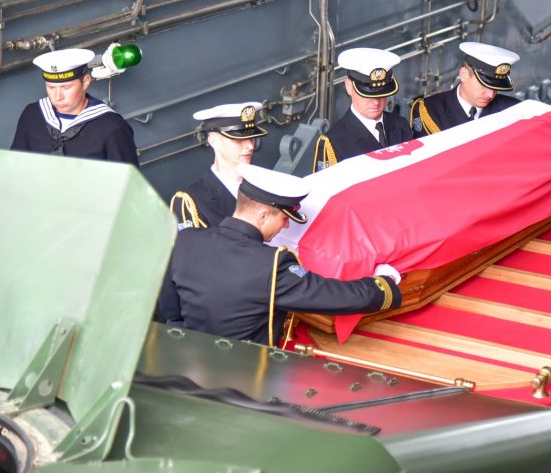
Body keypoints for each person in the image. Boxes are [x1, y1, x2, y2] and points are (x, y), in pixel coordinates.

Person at [155, 164, 402, 347]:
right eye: (284, 218)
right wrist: (384, 284)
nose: (285, 227)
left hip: (188, 366)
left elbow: (170, 313)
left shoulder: (185, 241)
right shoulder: (270, 265)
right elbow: (338, 296)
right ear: (262, 215)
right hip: (247, 382)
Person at [11, 48, 139, 165]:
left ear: (85, 82)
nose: (58, 96)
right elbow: (16, 166)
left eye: (66, 87)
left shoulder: (111, 127)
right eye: (51, 87)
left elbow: (127, 183)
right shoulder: (33, 115)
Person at [170, 102, 267, 229]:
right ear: (214, 141)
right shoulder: (192, 202)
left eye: (252, 138)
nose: (250, 146)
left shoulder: (265, 186)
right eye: (239, 139)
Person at [313, 47, 412, 171]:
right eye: (367, 95)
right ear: (349, 86)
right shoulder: (334, 143)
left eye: (381, 94)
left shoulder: (401, 125)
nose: (376, 102)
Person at [410, 41, 520, 137]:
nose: (490, 95)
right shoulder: (430, 110)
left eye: (495, 88)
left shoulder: (515, 110)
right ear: (463, 75)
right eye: (483, 85)